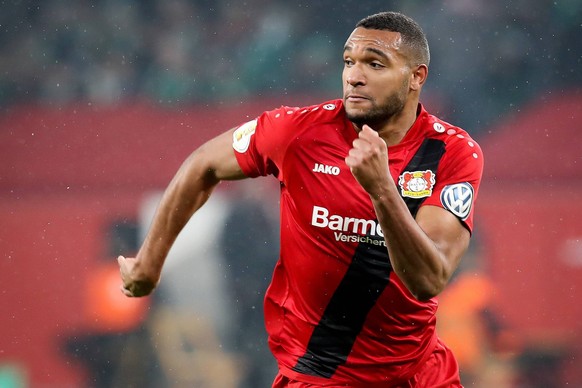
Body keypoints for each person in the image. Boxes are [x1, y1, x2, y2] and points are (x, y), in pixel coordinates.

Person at [118, 11, 483, 387]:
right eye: (348, 62)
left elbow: (428, 278)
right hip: (318, 377)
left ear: (416, 77)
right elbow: (203, 165)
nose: (354, 76)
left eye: (375, 64)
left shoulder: (451, 153)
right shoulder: (298, 132)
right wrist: (148, 263)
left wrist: (381, 190)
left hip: (418, 376)